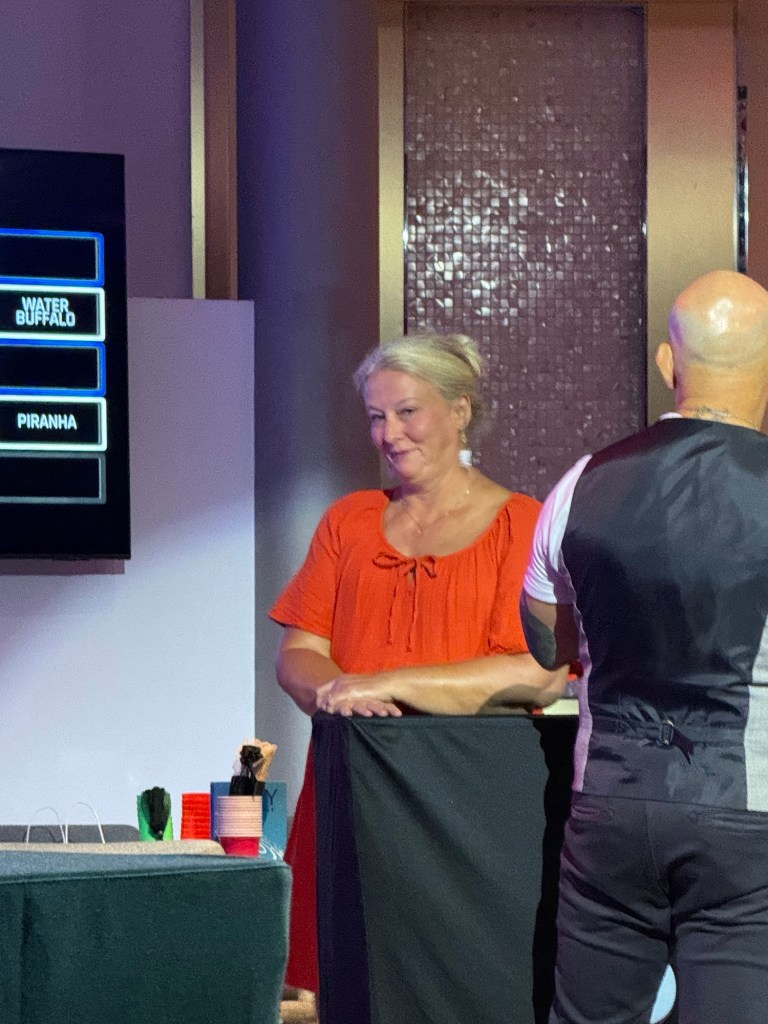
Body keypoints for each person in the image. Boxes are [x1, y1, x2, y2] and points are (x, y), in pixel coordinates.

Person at [269, 331, 568, 995]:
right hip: (353, 792)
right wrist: (338, 693)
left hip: (467, 813)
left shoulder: (522, 525)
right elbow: (299, 654)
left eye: (407, 412)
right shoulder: (348, 522)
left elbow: (538, 673)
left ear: (460, 411)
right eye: (377, 417)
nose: (390, 434)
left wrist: (386, 684)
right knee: (354, 985)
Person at [514, 269, 768, 1024]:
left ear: (667, 363)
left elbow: (545, 640)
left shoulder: (581, 482)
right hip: (746, 815)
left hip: (610, 805)